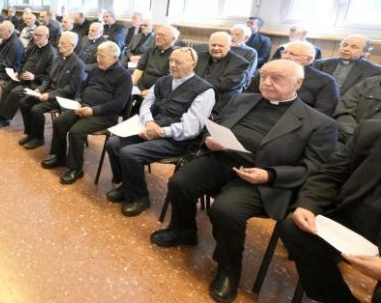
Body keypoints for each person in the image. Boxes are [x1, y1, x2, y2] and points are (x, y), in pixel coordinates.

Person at [151, 59, 337, 303]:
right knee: (180, 183)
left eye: (276, 78)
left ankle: (229, 269)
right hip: (223, 158)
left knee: (226, 210)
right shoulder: (242, 100)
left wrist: (270, 174)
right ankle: (183, 230)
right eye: (263, 76)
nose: (266, 82)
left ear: (298, 83)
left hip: (263, 176)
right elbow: (213, 126)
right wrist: (209, 140)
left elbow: (313, 168)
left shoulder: (319, 123)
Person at [280, 119, 381, 303]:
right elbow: (331, 174)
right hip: (355, 220)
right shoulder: (371, 131)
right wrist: (308, 205)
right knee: (294, 229)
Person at [105, 47, 214, 217]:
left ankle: (140, 198)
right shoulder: (163, 81)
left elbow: (191, 129)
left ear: (193, 65)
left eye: (178, 62)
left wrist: (159, 132)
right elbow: (147, 104)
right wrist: (149, 122)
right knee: (113, 143)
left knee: (129, 153)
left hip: (179, 141)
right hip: (153, 128)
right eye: (171, 60)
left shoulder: (205, 91)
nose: (172, 65)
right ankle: (127, 186)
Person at [42, 42, 132, 185]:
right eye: (97, 55)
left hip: (104, 116)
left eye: (102, 56)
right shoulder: (96, 70)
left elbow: (118, 104)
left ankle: (76, 169)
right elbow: (81, 87)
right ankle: (59, 157)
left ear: (114, 57)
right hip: (83, 106)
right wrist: (78, 101)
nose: (98, 59)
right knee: (59, 122)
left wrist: (93, 110)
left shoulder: (124, 77)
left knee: (76, 131)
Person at [18, 31, 85, 150]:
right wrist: (40, 89)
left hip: (61, 97)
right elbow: (48, 78)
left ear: (72, 45)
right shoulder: (58, 58)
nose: (58, 45)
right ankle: (31, 134)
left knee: (36, 110)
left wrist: (49, 95)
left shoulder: (78, 64)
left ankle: (38, 138)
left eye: (62, 43)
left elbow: (70, 89)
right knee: (24, 103)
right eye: (59, 42)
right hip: (48, 91)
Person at [0, 26, 57, 129]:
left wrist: (34, 77)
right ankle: (0, 115)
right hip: (21, 78)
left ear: (47, 36)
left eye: (39, 35)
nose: (35, 37)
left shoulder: (52, 53)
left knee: (16, 93)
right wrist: (17, 72)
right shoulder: (32, 47)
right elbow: (22, 62)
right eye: (34, 35)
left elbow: (49, 76)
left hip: (34, 83)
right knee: (7, 88)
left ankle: (5, 119)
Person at [247, 41, 339, 117]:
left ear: (309, 59)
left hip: (298, 120)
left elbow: (323, 112)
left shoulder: (325, 81)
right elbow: (248, 97)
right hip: (259, 114)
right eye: (284, 52)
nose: (285, 56)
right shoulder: (266, 72)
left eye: (292, 54)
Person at [194, 32, 249, 113]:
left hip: (217, 103)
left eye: (221, 46)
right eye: (213, 45)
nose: (216, 48)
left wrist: (195, 82)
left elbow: (224, 84)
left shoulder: (239, 63)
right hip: (192, 96)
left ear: (229, 47)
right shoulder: (198, 57)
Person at [314, 34, 381, 96]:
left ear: (365, 52)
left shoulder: (375, 71)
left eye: (354, 47)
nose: (346, 49)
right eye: (344, 45)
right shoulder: (320, 63)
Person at [333, 75, 381, 144]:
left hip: (375, 146)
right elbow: (344, 110)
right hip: (347, 137)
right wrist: (353, 136)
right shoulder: (369, 83)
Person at [132, 25, 179, 94]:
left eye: (162, 35)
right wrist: (130, 84)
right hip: (141, 87)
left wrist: (152, 92)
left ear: (173, 39)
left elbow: (171, 80)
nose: (157, 37)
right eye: (157, 34)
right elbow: (139, 70)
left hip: (160, 91)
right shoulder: (149, 50)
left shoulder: (177, 54)